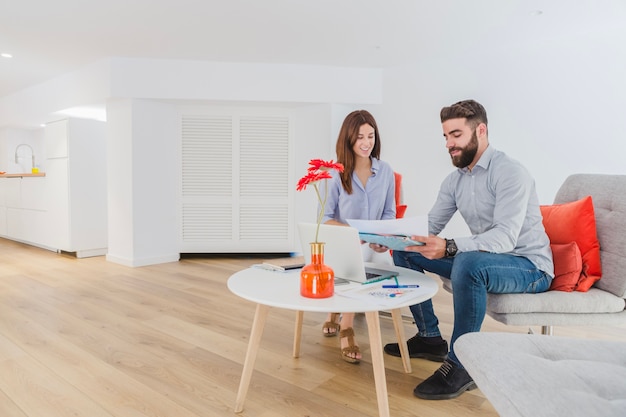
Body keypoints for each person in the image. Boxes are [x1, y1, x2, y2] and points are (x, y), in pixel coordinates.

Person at [383, 99, 554, 399]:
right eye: (446, 137)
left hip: (528, 266)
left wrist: (449, 246)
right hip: (488, 262)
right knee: (406, 252)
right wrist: (389, 238)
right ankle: (429, 337)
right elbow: (430, 225)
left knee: (467, 263)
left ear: (481, 131)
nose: (449, 143)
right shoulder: (455, 181)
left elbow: (505, 239)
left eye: (456, 135)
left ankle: (461, 363)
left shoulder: (511, 173)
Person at [321, 109, 396, 364]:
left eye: (371, 136)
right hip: (343, 244)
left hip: (373, 244)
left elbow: (389, 212)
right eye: (360, 137)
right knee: (354, 261)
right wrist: (353, 234)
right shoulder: (334, 173)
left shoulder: (385, 171)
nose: (366, 143)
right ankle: (346, 325)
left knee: (370, 258)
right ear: (348, 139)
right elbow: (325, 217)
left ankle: (336, 311)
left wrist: (382, 237)